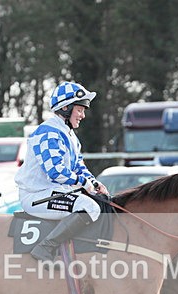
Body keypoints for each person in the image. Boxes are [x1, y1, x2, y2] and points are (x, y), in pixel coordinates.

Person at [15, 81, 108, 262]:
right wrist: (84, 183)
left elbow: (79, 167)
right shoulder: (48, 132)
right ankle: (45, 248)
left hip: (52, 192)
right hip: (36, 196)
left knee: (101, 201)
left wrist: (94, 183)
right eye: (79, 110)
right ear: (65, 108)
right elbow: (56, 172)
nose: (82, 115)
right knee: (89, 207)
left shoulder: (70, 135)